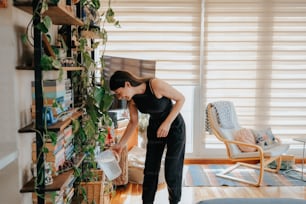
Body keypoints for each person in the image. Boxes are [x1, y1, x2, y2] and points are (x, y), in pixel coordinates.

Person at [109, 70, 186, 204]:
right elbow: (133, 122)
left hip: (174, 127)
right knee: (150, 170)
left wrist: (167, 123)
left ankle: (174, 201)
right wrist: (120, 145)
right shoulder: (132, 100)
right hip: (155, 129)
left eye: (118, 93)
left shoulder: (154, 85)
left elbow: (181, 99)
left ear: (127, 84)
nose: (119, 97)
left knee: (172, 171)